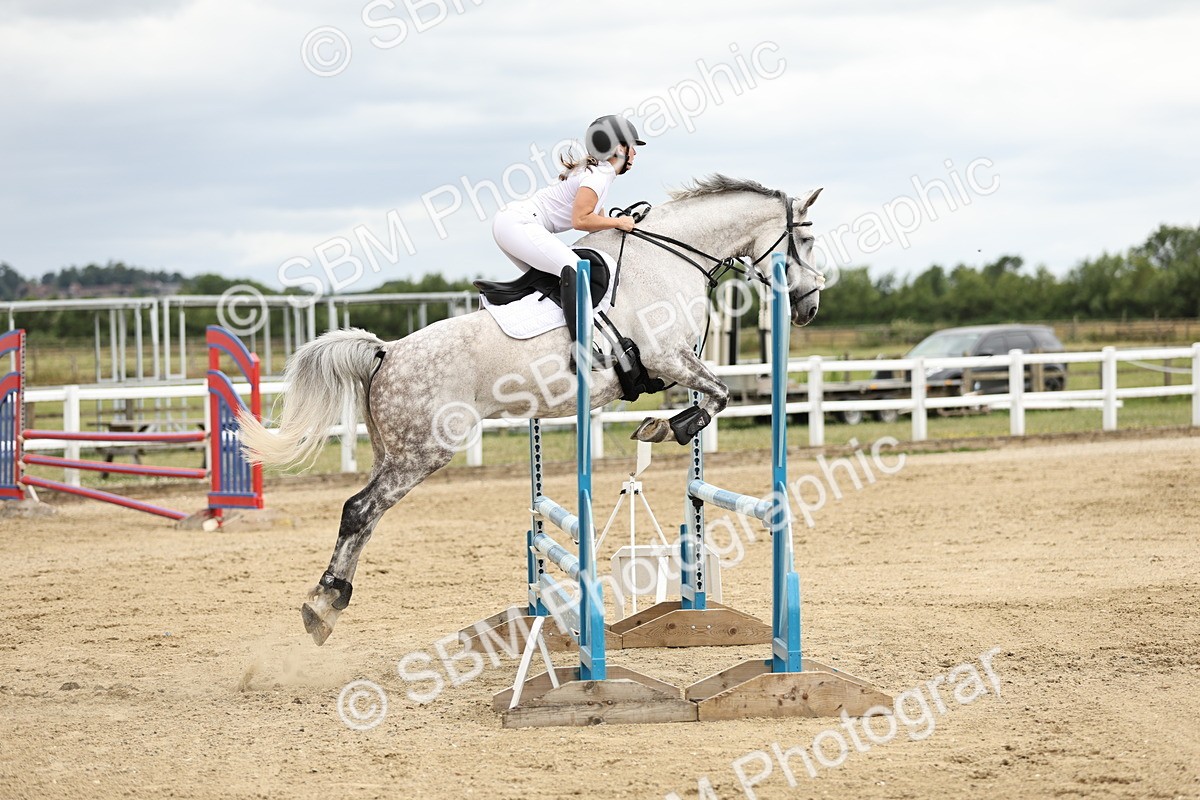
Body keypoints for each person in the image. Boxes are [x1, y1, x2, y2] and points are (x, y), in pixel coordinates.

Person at [490, 115, 645, 341]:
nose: (635, 153)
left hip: (512, 224)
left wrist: (617, 223)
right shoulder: (597, 177)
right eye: (633, 147)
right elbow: (580, 221)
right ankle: (581, 349)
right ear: (620, 148)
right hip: (519, 224)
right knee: (576, 271)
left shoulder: (600, 174)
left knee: (550, 282)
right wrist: (619, 222)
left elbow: (595, 226)